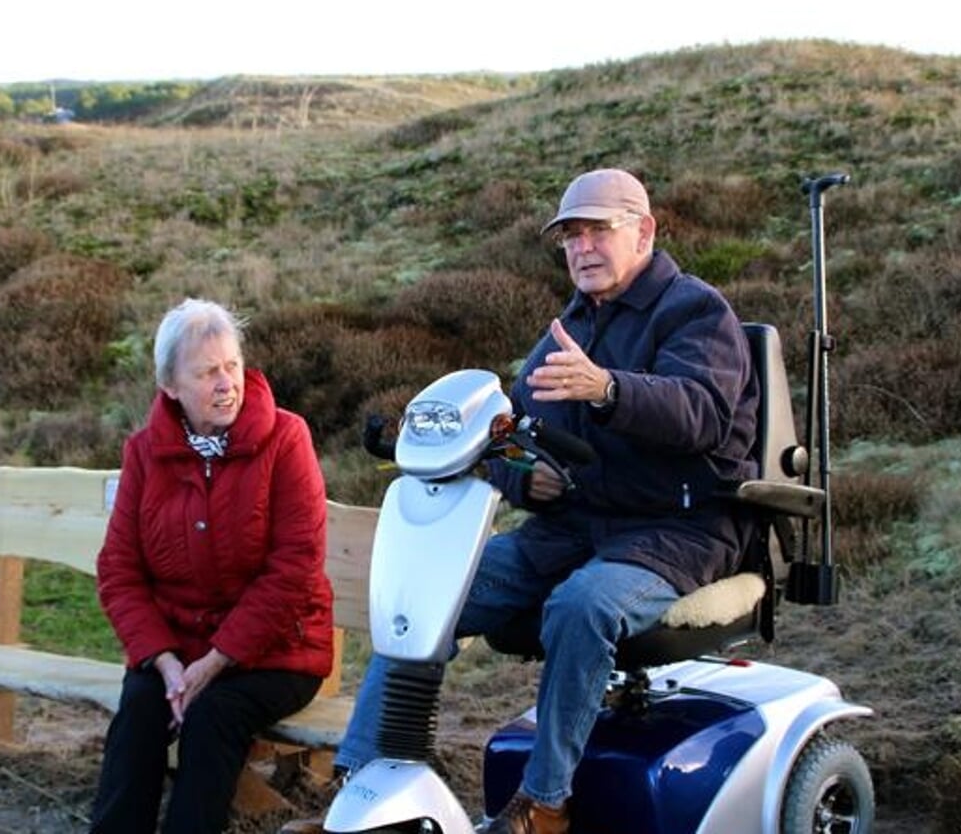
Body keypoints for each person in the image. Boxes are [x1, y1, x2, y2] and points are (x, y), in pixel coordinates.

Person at [282, 168, 760, 834]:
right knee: (424, 593)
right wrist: (521, 478)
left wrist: (608, 389)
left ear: (644, 231)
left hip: (674, 530)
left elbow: (703, 415)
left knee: (580, 603)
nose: (582, 247)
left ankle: (544, 802)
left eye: (599, 230)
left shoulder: (695, 311)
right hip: (570, 527)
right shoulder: (569, 326)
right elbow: (508, 433)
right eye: (570, 236)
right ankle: (362, 786)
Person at [89, 298, 335, 834]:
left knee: (212, 716)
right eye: (206, 372)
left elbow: (297, 566)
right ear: (171, 386)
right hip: (178, 651)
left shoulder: (286, 439)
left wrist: (217, 660)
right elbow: (119, 569)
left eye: (232, 367)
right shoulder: (143, 454)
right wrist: (164, 662)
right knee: (139, 709)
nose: (226, 384)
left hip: (278, 651)